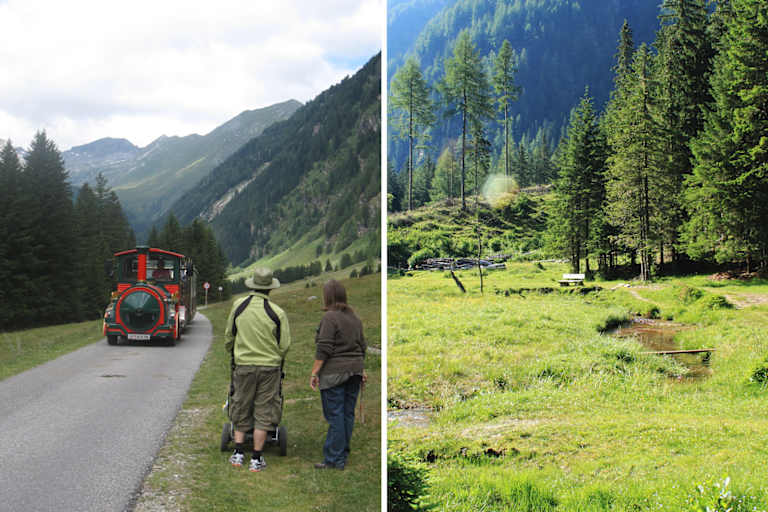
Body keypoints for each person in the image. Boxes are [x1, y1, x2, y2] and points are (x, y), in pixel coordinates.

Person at [224, 267, 291, 472]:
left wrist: (236, 352)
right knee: (264, 408)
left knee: (241, 404)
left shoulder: (239, 306)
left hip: (243, 365)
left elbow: (229, 337)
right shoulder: (277, 312)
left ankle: (237, 453)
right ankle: (256, 458)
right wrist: (275, 357)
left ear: (252, 285)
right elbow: (284, 345)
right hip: (269, 368)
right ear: (270, 288)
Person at [310, 279, 367, 470]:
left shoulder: (329, 318)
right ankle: (342, 453)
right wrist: (362, 370)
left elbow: (324, 347)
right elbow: (362, 346)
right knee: (347, 414)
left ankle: (334, 459)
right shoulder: (355, 318)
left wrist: (314, 372)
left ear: (327, 297)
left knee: (335, 415)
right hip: (355, 370)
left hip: (334, 372)